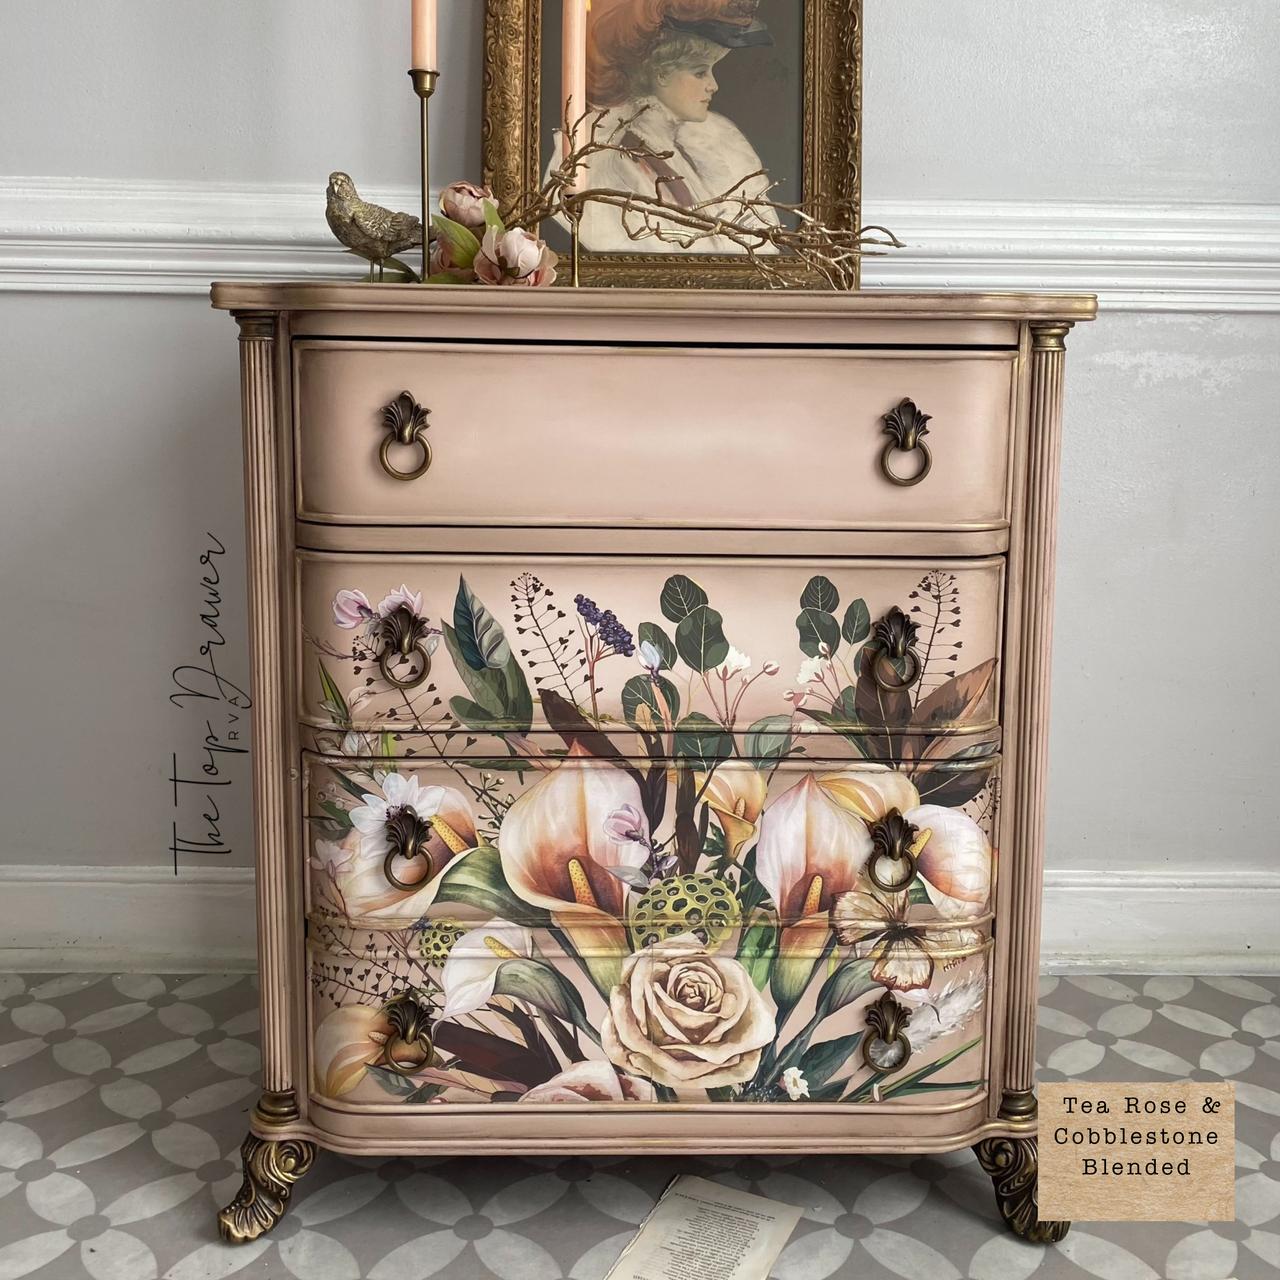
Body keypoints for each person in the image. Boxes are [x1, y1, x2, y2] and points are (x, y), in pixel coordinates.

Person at [566, 0, 781, 254]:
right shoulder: (624, 162)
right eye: (700, 73)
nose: (713, 85)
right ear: (660, 73)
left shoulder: (709, 144)